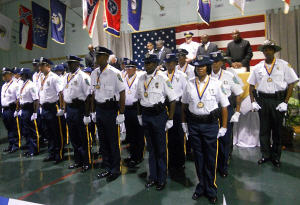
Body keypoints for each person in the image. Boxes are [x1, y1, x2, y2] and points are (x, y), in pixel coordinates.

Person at [181, 55, 229, 204]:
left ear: (207, 67)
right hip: (194, 124)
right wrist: (184, 124)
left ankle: (211, 188)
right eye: (197, 66)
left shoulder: (216, 83)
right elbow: (183, 106)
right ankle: (201, 186)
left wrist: (224, 127)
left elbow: (224, 106)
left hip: (210, 125)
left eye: (203, 66)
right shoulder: (189, 84)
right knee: (198, 157)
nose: (200, 68)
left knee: (210, 157)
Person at [248, 40, 298, 167]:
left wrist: (285, 102)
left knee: (277, 130)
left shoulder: (284, 65)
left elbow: (291, 84)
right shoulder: (258, 67)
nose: (267, 51)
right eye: (265, 49)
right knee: (264, 130)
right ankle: (265, 155)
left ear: (274, 51)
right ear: (263, 51)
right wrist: (252, 102)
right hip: (263, 100)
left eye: (270, 49)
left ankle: (276, 156)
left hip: (278, 100)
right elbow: (251, 85)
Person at [135, 54, 176, 191]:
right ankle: (153, 177)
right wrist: (140, 115)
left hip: (159, 115)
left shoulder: (163, 78)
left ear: (156, 63)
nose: (147, 65)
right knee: (151, 148)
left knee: (161, 148)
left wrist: (170, 119)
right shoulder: (140, 78)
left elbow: (172, 100)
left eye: (150, 62)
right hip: (146, 114)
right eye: (145, 62)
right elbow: (138, 99)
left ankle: (162, 178)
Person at [91, 46, 125, 182]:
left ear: (106, 58)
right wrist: (93, 112)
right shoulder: (94, 73)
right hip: (99, 109)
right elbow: (93, 93)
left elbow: (122, 93)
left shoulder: (115, 73)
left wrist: (121, 113)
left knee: (112, 141)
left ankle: (115, 168)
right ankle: (107, 167)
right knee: (103, 141)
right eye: (96, 56)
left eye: (99, 56)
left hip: (110, 110)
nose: (97, 58)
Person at [210, 51, 244, 178]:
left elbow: (238, 94)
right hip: (212, 111)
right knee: (212, 139)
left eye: (217, 61)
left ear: (222, 62)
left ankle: (223, 167)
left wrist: (237, 112)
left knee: (224, 140)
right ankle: (212, 165)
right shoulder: (206, 75)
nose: (214, 64)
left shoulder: (229, 75)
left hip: (226, 110)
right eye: (212, 61)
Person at [61, 55, 92, 173]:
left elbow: (88, 96)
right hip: (70, 109)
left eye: (71, 63)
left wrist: (87, 114)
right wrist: (64, 110)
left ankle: (86, 161)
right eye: (68, 63)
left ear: (78, 64)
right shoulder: (66, 77)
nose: (69, 65)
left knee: (83, 137)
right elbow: (65, 94)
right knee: (73, 136)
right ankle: (78, 160)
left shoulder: (83, 77)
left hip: (79, 108)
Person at [38, 57, 64, 165]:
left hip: (53, 107)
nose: (40, 67)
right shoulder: (40, 77)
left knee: (56, 132)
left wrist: (62, 108)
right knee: (48, 132)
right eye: (40, 65)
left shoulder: (54, 77)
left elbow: (61, 93)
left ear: (48, 66)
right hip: (44, 108)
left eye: (42, 65)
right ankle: (52, 153)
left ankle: (59, 154)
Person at [163, 53, 187, 171]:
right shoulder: (162, 75)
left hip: (177, 107)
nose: (168, 64)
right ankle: (170, 160)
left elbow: (185, 92)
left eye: (171, 62)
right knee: (168, 136)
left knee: (178, 135)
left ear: (176, 63)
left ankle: (180, 161)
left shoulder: (181, 75)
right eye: (166, 62)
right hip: (165, 106)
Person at [122, 59, 145, 166]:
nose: (128, 70)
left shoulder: (139, 79)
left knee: (139, 133)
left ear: (135, 68)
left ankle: (139, 155)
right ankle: (132, 153)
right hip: (127, 109)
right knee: (130, 133)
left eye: (130, 68)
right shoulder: (123, 79)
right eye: (127, 68)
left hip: (137, 108)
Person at [17, 68, 40, 157]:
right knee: (26, 131)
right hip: (24, 109)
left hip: (30, 109)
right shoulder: (22, 84)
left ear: (26, 75)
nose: (20, 76)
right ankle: (29, 148)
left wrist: (34, 112)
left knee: (32, 131)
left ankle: (34, 150)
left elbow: (36, 100)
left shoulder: (31, 85)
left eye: (22, 75)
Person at [1, 67, 20, 153]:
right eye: (3, 75)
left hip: (11, 109)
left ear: (11, 75)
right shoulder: (4, 85)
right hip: (5, 110)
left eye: (5, 74)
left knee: (14, 128)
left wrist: (17, 110)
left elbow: (18, 98)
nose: (3, 76)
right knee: (8, 128)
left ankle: (16, 145)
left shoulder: (15, 85)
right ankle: (11, 144)